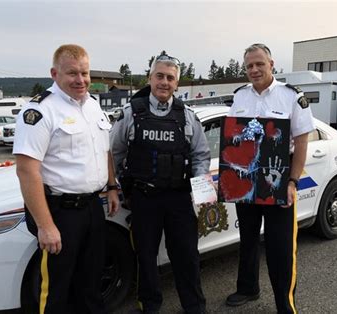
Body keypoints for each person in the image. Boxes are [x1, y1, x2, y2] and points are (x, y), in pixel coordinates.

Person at [13, 44, 120, 314]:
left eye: (85, 73)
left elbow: (103, 150)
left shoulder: (93, 106)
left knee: (91, 282)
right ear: (54, 73)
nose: (80, 80)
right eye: (72, 73)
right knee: (56, 289)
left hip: (93, 208)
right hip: (60, 212)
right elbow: (26, 170)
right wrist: (45, 226)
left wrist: (111, 186)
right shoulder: (40, 112)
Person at [110, 53, 210, 314]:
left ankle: (195, 307)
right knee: (145, 256)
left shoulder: (187, 116)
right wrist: (122, 185)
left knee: (187, 256)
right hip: (144, 198)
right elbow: (114, 152)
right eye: (160, 76)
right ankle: (150, 305)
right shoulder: (131, 113)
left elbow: (200, 155)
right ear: (150, 78)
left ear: (177, 83)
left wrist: (201, 192)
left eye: (170, 78)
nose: (164, 82)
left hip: (179, 198)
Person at [225, 43, 315, 313]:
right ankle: (248, 288)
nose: (254, 69)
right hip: (247, 176)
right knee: (248, 238)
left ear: (271, 64)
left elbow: (301, 142)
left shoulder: (291, 96)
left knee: (281, 247)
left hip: (278, 176)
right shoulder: (240, 96)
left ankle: (285, 304)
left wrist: (293, 181)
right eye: (249, 65)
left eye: (259, 64)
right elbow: (233, 136)